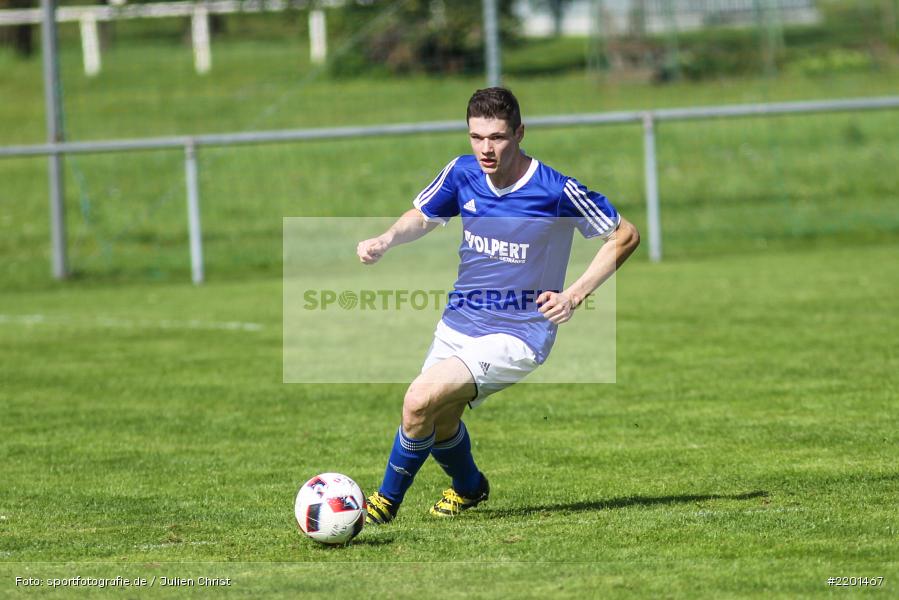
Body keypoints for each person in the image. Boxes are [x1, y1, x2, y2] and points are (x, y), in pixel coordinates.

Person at [356, 87, 640, 524]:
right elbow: (425, 216)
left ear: (520, 133)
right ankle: (470, 487)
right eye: (477, 137)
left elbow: (624, 235)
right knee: (442, 418)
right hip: (459, 320)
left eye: (498, 137)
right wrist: (386, 239)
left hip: (519, 332)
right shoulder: (461, 173)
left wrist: (575, 294)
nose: (486, 148)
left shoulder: (555, 190)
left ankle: (382, 506)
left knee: (417, 402)